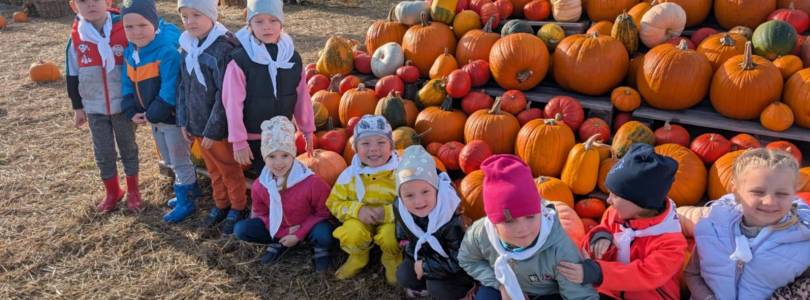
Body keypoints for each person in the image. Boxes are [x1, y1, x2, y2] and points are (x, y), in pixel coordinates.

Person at [458, 154, 598, 300]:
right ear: (494, 223)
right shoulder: (480, 233)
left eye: (530, 216)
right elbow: (468, 259)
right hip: (502, 284)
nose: (523, 228)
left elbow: (581, 295)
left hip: (547, 292)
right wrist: (500, 283)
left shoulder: (560, 248)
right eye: (509, 221)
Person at [557, 143, 686, 300]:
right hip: (609, 291)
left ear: (640, 203)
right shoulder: (615, 214)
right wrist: (601, 236)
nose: (609, 200)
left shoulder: (671, 244)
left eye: (615, 195)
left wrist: (598, 272)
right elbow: (602, 229)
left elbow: (644, 274)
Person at [684, 148, 810, 300]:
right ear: (737, 192)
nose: (769, 201)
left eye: (782, 194)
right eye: (758, 192)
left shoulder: (803, 240)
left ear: (794, 193)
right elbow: (692, 273)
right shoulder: (712, 229)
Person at [120, 0, 196, 223]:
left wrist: (152, 114)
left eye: (142, 25)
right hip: (153, 118)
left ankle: (187, 199)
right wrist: (129, 108)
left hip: (169, 118)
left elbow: (170, 89)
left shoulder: (166, 52)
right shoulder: (130, 52)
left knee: (180, 158)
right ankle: (185, 188)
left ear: (154, 23)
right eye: (129, 27)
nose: (136, 32)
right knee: (168, 156)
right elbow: (126, 82)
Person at [175, 0, 246, 233]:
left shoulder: (223, 48)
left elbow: (225, 95)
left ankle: (237, 206)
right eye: (184, 16)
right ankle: (221, 203)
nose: (190, 21)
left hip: (218, 128)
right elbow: (183, 86)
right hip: (197, 124)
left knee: (228, 168)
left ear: (212, 15)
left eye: (196, 14)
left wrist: (213, 130)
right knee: (212, 168)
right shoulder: (187, 46)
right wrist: (184, 120)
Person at [222, 0, 314, 177]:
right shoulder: (241, 60)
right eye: (259, 21)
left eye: (273, 20)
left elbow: (302, 96)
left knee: (284, 179)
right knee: (264, 180)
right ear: (249, 25)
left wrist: (307, 129)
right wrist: (239, 140)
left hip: (283, 135)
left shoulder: (292, 57)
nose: (266, 27)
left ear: (281, 23)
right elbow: (232, 103)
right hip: (255, 137)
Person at [233, 116, 335, 272]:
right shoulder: (260, 185)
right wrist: (283, 232)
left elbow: (324, 212)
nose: (278, 163)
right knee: (241, 229)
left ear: (293, 155)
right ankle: (280, 241)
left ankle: (319, 248)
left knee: (324, 234)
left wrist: (299, 233)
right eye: (272, 157)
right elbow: (261, 213)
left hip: (308, 227)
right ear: (264, 157)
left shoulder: (312, 182)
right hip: (280, 229)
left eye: (285, 156)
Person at [66, 0, 140, 213]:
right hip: (94, 107)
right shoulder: (76, 37)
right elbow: (72, 74)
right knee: (103, 151)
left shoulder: (124, 29)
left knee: (128, 147)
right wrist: (78, 107)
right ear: (73, 6)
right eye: (82, 1)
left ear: (107, 1)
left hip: (122, 105)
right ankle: (112, 191)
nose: (90, 5)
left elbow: (137, 66)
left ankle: (133, 190)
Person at [326, 115, 401, 284]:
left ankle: (392, 260)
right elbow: (334, 203)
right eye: (365, 143)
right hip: (360, 220)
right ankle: (358, 257)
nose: (373, 149)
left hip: (392, 219)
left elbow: (410, 204)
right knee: (352, 232)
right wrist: (357, 210)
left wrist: (388, 212)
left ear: (391, 146)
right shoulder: (349, 175)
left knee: (392, 235)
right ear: (355, 148)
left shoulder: (401, 173)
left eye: (381, 142)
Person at [393, 145, 473, 299]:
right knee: (404, 275)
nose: (418, 201)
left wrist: (426, 266)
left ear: (436, 189)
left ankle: (462, 293)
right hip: (427, 255)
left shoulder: (450, 217)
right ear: (401, 197)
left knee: (438, 288)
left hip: (455, 268)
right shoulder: (400, 208)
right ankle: (426, 282)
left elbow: (460, 260)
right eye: (409, 195)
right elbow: (404, 232)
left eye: (425, 192)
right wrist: (404, 242)